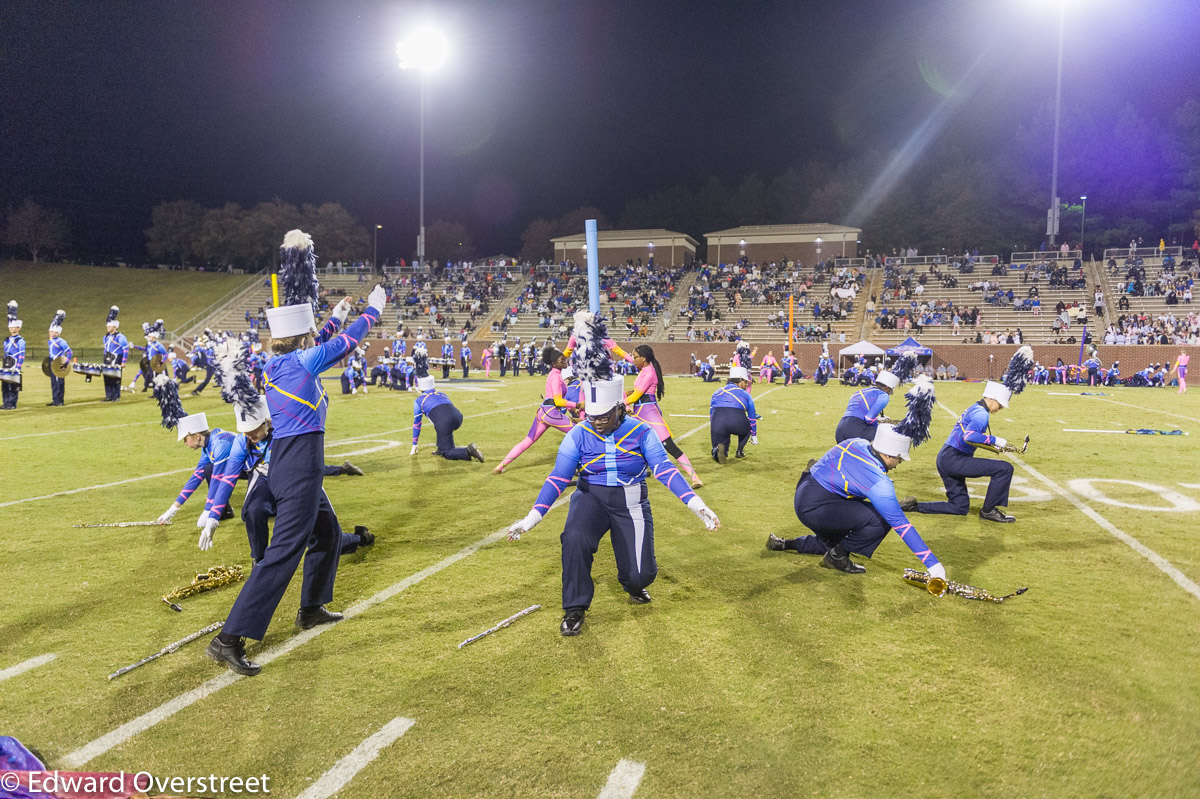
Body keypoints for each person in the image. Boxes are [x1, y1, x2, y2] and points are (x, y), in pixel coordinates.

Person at [207, 229, 384, 677]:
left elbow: (317, 337)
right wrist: (371, 312)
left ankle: (311, 608)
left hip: (289, 459)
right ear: (299, 338)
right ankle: (229, 638)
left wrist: (336, 313)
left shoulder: (277, 360)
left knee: (327, 533)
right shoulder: (303, 361)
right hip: (300, 462)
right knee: (283, 553)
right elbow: (340, 345)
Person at [505, 312, 721, 637]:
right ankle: (574, 607)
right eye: (590, 416)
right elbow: (558, 478)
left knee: (640, 576)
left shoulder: (643, 432)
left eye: (603, 415)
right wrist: (532, 517)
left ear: (620, 407)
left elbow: (663, 469)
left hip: (631, 500)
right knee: (573, 538)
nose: (596, 421)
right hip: (590, 497)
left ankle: (632, 582)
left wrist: (696, 504)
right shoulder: (579, 434)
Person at [767, 378, 944, 579]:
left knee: (836, 539)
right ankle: (838, 556)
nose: (900, 463)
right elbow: (901, 525)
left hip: (805, 491)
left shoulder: (855, 442)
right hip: (818, 505)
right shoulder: (880, 483)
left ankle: (785, 544)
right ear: (889, 455)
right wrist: (934, 565)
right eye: (899, 458)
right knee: (880, 519)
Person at [903, 347, 1033, 524]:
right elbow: (970, 437)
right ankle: (989, 510)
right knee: (1004, 469)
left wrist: (993, 446)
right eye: (1000, 405)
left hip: (945, 457)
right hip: (954, 459)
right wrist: (995, 440)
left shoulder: (976, 407)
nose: (1000, 408)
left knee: (959, 506)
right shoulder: (981, 414)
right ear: (992, 398)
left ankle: (915, 506)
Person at [623, 344, 702, 487]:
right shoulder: (643, 370)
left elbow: (636, 396)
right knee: (625, 442)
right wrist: (613, 347)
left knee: (669, 445)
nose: (633, 360)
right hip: (638, 412)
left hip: (648, 412)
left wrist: (620, 403)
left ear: (644, 358)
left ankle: (695, 477)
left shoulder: (649, 373)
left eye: (635, 357)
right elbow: (634, 391)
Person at [493, 346, 577, 473]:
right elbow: (558, 401)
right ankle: (580, 466)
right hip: (551, 413)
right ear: (554, 363)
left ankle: (500, 466)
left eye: (565, 360)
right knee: (580, 432)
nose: (565, 362)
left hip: (543, 412)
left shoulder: (554, 374)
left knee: (528, 441)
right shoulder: (556, 377)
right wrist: (579, 405)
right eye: (562, 360)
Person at [410, 343, 484, 463]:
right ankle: (441, 447)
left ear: (420, 387)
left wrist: (414, 445)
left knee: (447, 452)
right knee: (441, 425)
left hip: (445, 421)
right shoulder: (441, 393)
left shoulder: (419, 401)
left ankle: (467, 451)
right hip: (458, 417)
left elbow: (417, 425)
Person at [833, 354, 914, 443]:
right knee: (887, 436)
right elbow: (868, 418)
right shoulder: (883, 395)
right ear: (887, 387)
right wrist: (878, 423)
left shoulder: (861, 391)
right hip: (855, 429)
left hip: (840, 429)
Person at [709, 366, 758, 462]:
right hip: (737, 421)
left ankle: (718, 451)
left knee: (721, 440)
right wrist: (754, 434)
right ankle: (739, 451)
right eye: (745, 382)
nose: (746, 385)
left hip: (718, 421)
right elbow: (752, 415)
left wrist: (714, 426)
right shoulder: (746, 394)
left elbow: (711, 412)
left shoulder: (717, 392)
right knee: (747, 425)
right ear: (740, 381)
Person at [101, 305, 129, 402]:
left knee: (116, 376)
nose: (108, 327)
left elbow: (125, 349)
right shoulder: (106, 336)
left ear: (115, 326)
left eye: (110, 326)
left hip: (117, 357)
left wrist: (123, 362)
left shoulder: (120, 337)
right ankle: (109, 395)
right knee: (107, 376)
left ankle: (116, 396)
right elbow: (105, 348)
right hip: (107, 357)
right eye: (107, 325)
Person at [2, 301, 25, 410]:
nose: (11, 328)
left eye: (14, 327)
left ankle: (12, 403)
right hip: (6, 362)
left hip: (14, 363)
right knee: (5, 384)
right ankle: (5, 402)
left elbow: (21, 354)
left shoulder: (20, 341)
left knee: (13, 384)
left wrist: (18, 367)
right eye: (10, 327)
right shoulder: (7, 340)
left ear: (18, 328)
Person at [46, 310, 71, 406]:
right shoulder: (50, 340)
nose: (52, 333)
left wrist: (65, 363)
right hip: (52, 361)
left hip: (59, 362)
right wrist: (56, 319)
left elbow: (69, 352)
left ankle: (60, 401)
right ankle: (55, 400)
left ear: (59, 333)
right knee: (53, 382)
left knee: (58, 381)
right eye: (51, 331)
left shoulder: (61, 341)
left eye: (54, 332)